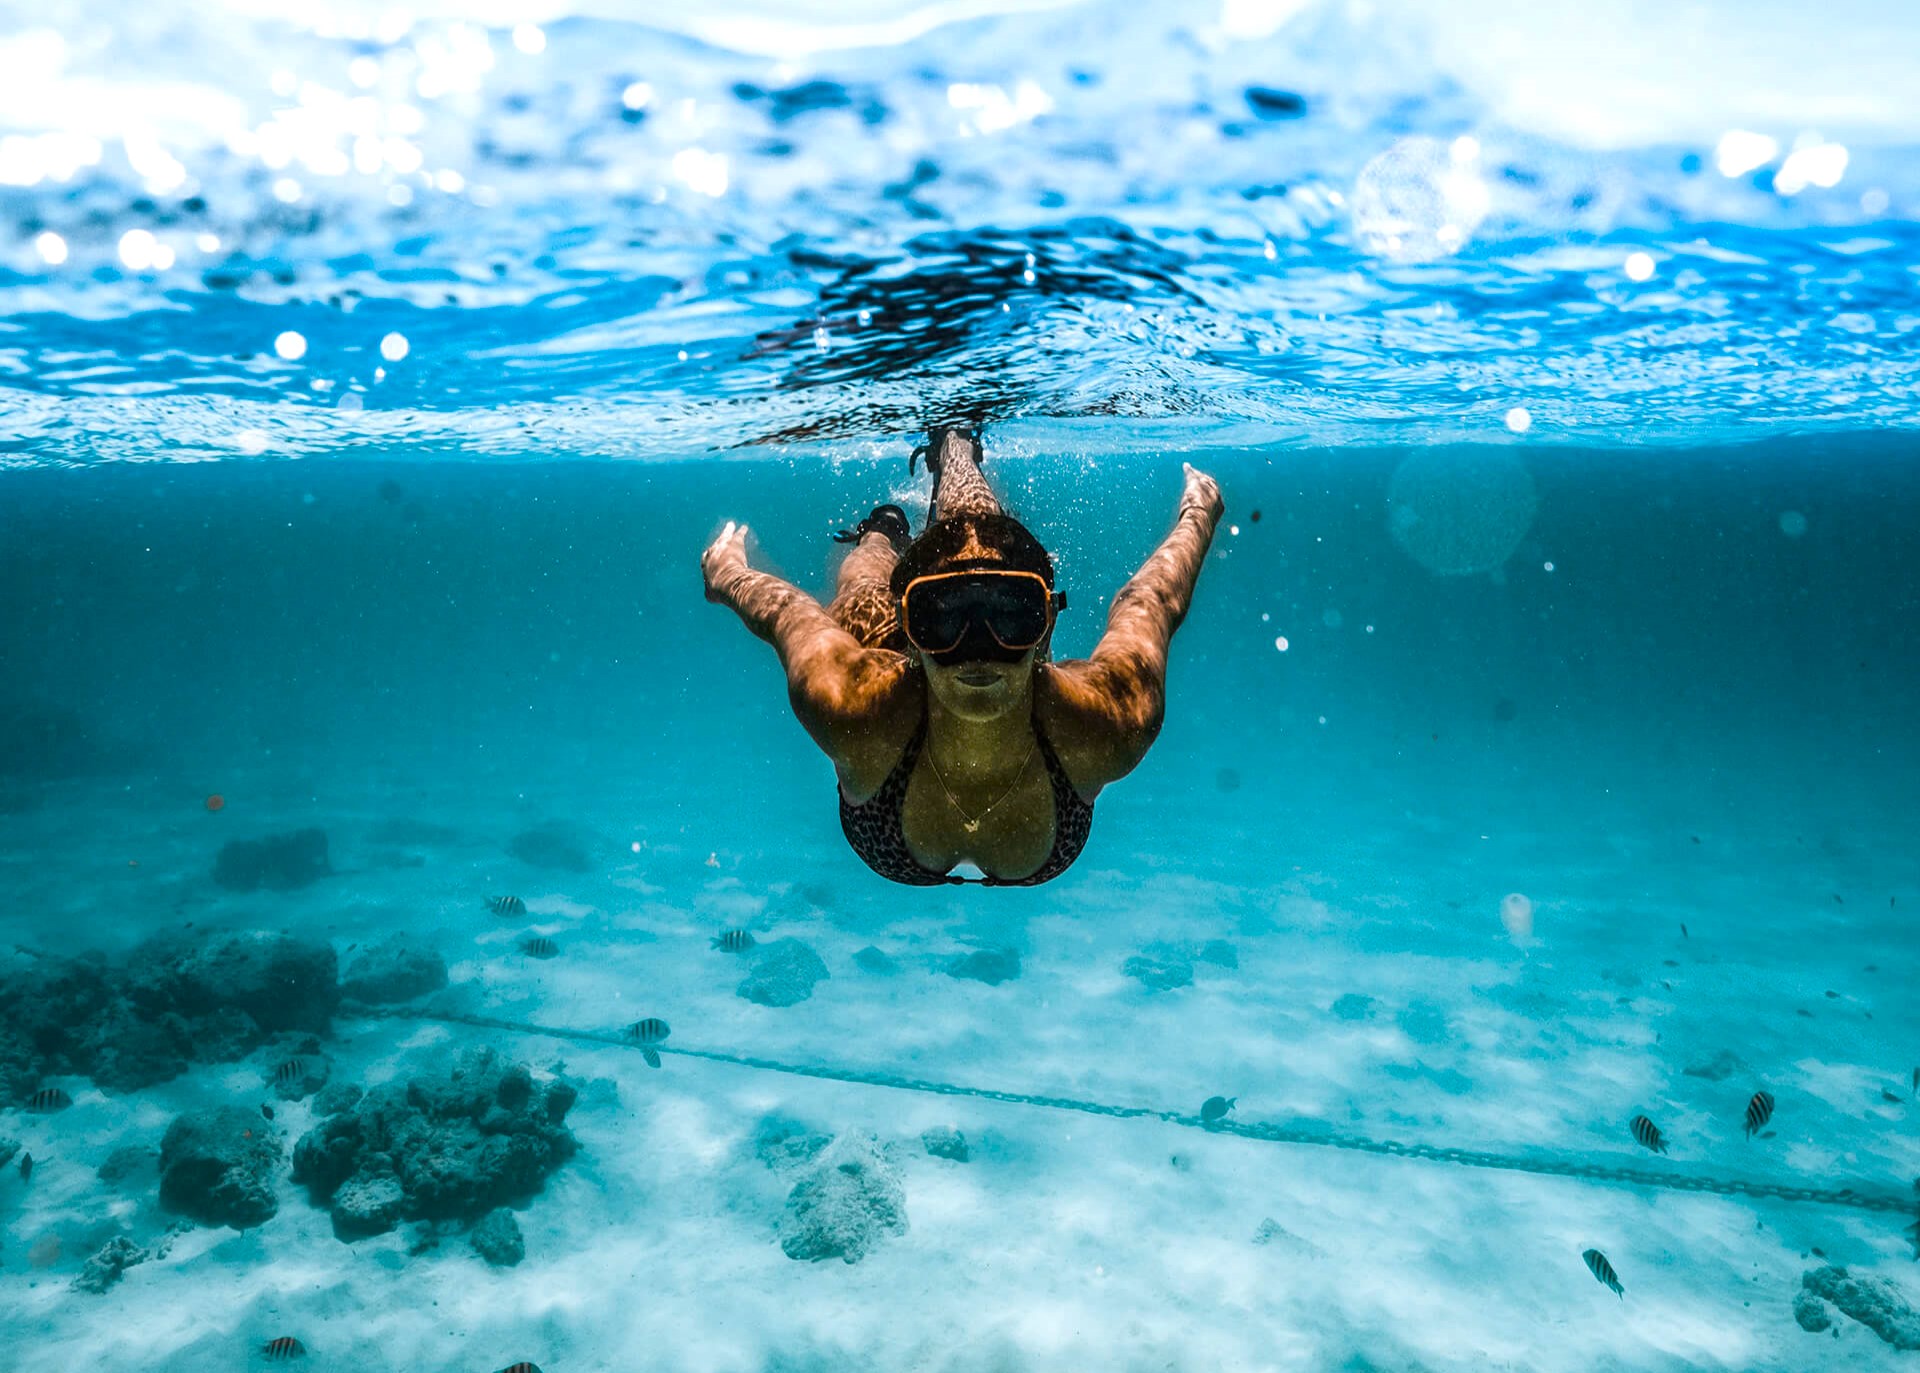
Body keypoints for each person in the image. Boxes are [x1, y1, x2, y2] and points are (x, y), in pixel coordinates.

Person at [701, 427, 1224, 886]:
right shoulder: (850, 699)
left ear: (1045, 626)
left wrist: (1201, 508)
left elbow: (1153, 601)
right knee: (864, 582)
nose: (978, 650)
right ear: (909, 629)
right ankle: (884, 529)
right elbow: (787, 613)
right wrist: (726, 575)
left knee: (977, 538)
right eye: (942, 617)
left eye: (1012, 614)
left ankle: (955, 451)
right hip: (894, 662)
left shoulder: (1109, 718)